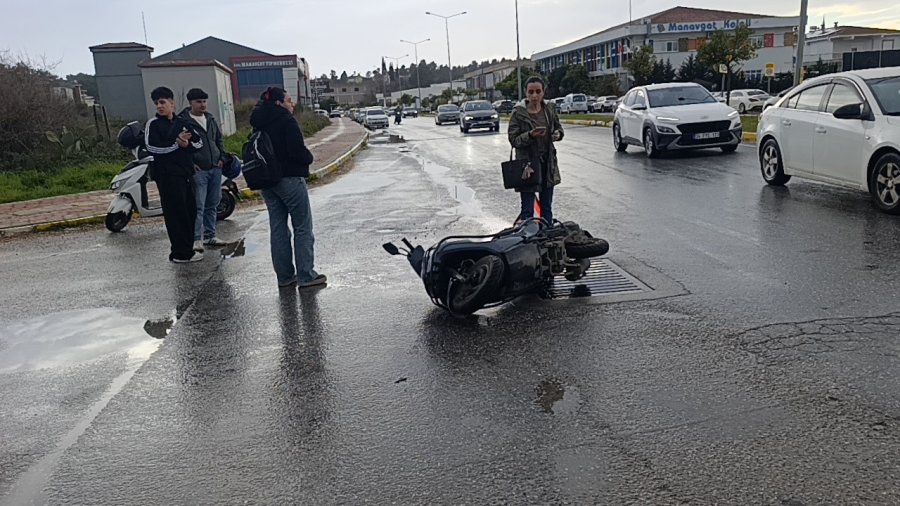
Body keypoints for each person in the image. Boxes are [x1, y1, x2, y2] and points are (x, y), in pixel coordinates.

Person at [249, 87, 326, 289]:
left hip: (267, 181)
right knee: (302, 227)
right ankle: (306, 275)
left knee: (278, 228)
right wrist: (309, 158)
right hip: (290, 178)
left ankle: (284, 277)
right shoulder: (286, 120)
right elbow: (296, 151)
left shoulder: (258, 122)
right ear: (278, 103)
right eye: (289, 100)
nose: (292, 104)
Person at [145, 86, 204, 263]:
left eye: (162, 102)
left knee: (189, 212)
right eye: (156, 103)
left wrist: (187, 145)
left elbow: (199, 142)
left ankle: (188, 248)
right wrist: (175, 145)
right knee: (175, 214)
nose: (159, 106)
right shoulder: (153, 124)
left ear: (172, 103)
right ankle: (180, 253)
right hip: (167, 176)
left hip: (185, 174)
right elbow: (152, 147)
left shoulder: (182, 122)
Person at [507, 76, 564, 225]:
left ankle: (546, 234)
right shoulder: (518, 113)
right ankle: (528, 235)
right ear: (525, 93)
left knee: (546, 207)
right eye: (531, 92)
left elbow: (558, 128)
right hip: (528, 167)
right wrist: (530, 135)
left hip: (547, 164)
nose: (534, 96)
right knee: (527, 209)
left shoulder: (549, 109)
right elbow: (514, 140)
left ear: (543, 92)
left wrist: (557, 134)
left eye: (538, 91)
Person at [178, 88, 228, 253]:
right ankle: (196, 239)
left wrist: (222, 157)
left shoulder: (210, 119)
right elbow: (181, 146)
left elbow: (218, 139)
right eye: (198, 102)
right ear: (190, 103)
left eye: (204, 101)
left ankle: (210, 235)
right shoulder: (184, 122)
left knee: (212, 203)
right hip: (198, 170)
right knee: (198, 205)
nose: (202, 105)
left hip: (215, 167)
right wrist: (190, 163)